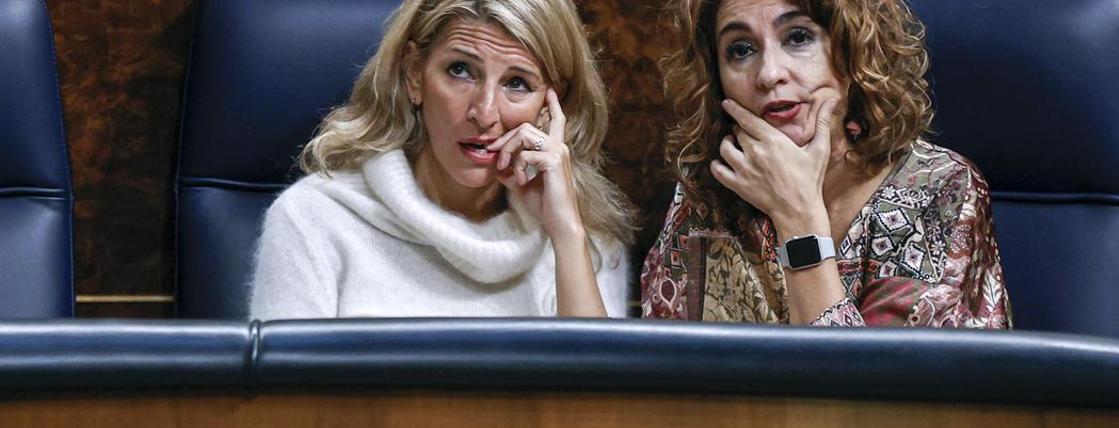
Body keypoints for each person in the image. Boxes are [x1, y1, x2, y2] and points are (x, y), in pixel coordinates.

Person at [249, 0, 635, 320]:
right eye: (461, 71)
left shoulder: (585, 241)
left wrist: (567, 236)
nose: (484, 113)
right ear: (415, 75)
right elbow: (284, 411)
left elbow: (600, 409)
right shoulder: (313, 220)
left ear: (553, 105)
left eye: (517, 83)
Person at [641, 0, 1010, 327]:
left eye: (798, 37)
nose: (770, 74)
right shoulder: (709, 190)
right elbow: (660, 376)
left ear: (852, 50)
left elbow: (866, 396)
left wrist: (797, 217)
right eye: (740, 49)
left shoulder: (939, 191)